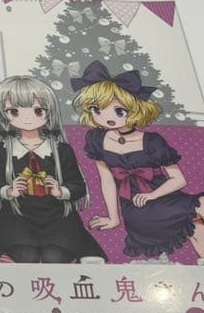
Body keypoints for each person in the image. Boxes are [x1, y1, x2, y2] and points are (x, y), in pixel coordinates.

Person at [74, 60, 204, 258]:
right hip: (137, 208)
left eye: (118, 111)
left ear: (135, 109)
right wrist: (113, 218)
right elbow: (107, 181)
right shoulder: (97, 139)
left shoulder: (152, 141)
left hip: (163, 197)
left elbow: (179, 180)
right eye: (97, 109)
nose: (106, 117)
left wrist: (153, 195)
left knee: (197, 228)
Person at [0, 75, 106, 263]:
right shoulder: (3, 149)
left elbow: (78, 186)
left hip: (59, 219)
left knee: (54, 256)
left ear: (49, 112)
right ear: (4, 114)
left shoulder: (60, 149)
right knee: (25, 255)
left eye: (37, 110)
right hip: (17, 218)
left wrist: (61, 191)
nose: (27, 118)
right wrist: (10, 191)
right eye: (14, 111)